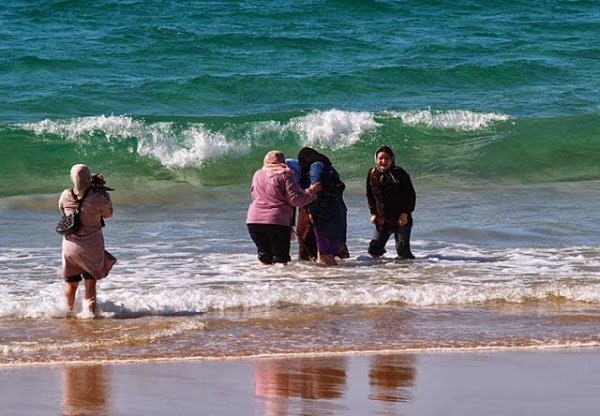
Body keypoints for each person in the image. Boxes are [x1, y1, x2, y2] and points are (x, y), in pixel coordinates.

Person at [58, 164, 116, 315]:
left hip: (70, 247)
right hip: (91, 247)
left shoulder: (65, 195)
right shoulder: (97, 197)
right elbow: (108, 213)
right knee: (89, 285)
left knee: (71, 285)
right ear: (88, 177)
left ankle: (67, 313)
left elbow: (63, 211)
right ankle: (89, 316)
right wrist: (103, 192)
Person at [247, 150, 321, 265]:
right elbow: (295, 199)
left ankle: (263, 282)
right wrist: (311, 191)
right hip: (276, 222)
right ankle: (279, 282)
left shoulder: (258, 174)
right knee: (280, 260)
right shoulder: (285, 174)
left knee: (264, 258)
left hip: (254, 221)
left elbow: (254, 195)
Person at [297, 147, 349, 266]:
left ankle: (337, 280)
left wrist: (311, 211)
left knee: (325, 253)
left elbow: (316, 188)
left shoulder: (315, 166)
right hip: (335, 211)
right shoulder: (326, 166)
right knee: (324, 252)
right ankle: (330, 281)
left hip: (324, 214)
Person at [366, 145, 416, 259]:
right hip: (383, 218)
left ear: (392, 159)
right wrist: (373, 213)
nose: (383, 161)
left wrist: (405, 213)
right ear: (376, 159)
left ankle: (409, 274)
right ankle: (379, 274)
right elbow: (370, 195)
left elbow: (410, 195)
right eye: (381, 158)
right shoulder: (372, 173)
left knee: (403, 252)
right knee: (374, 250)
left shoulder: (400, 173)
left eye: (387, 158)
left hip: (401, 218)